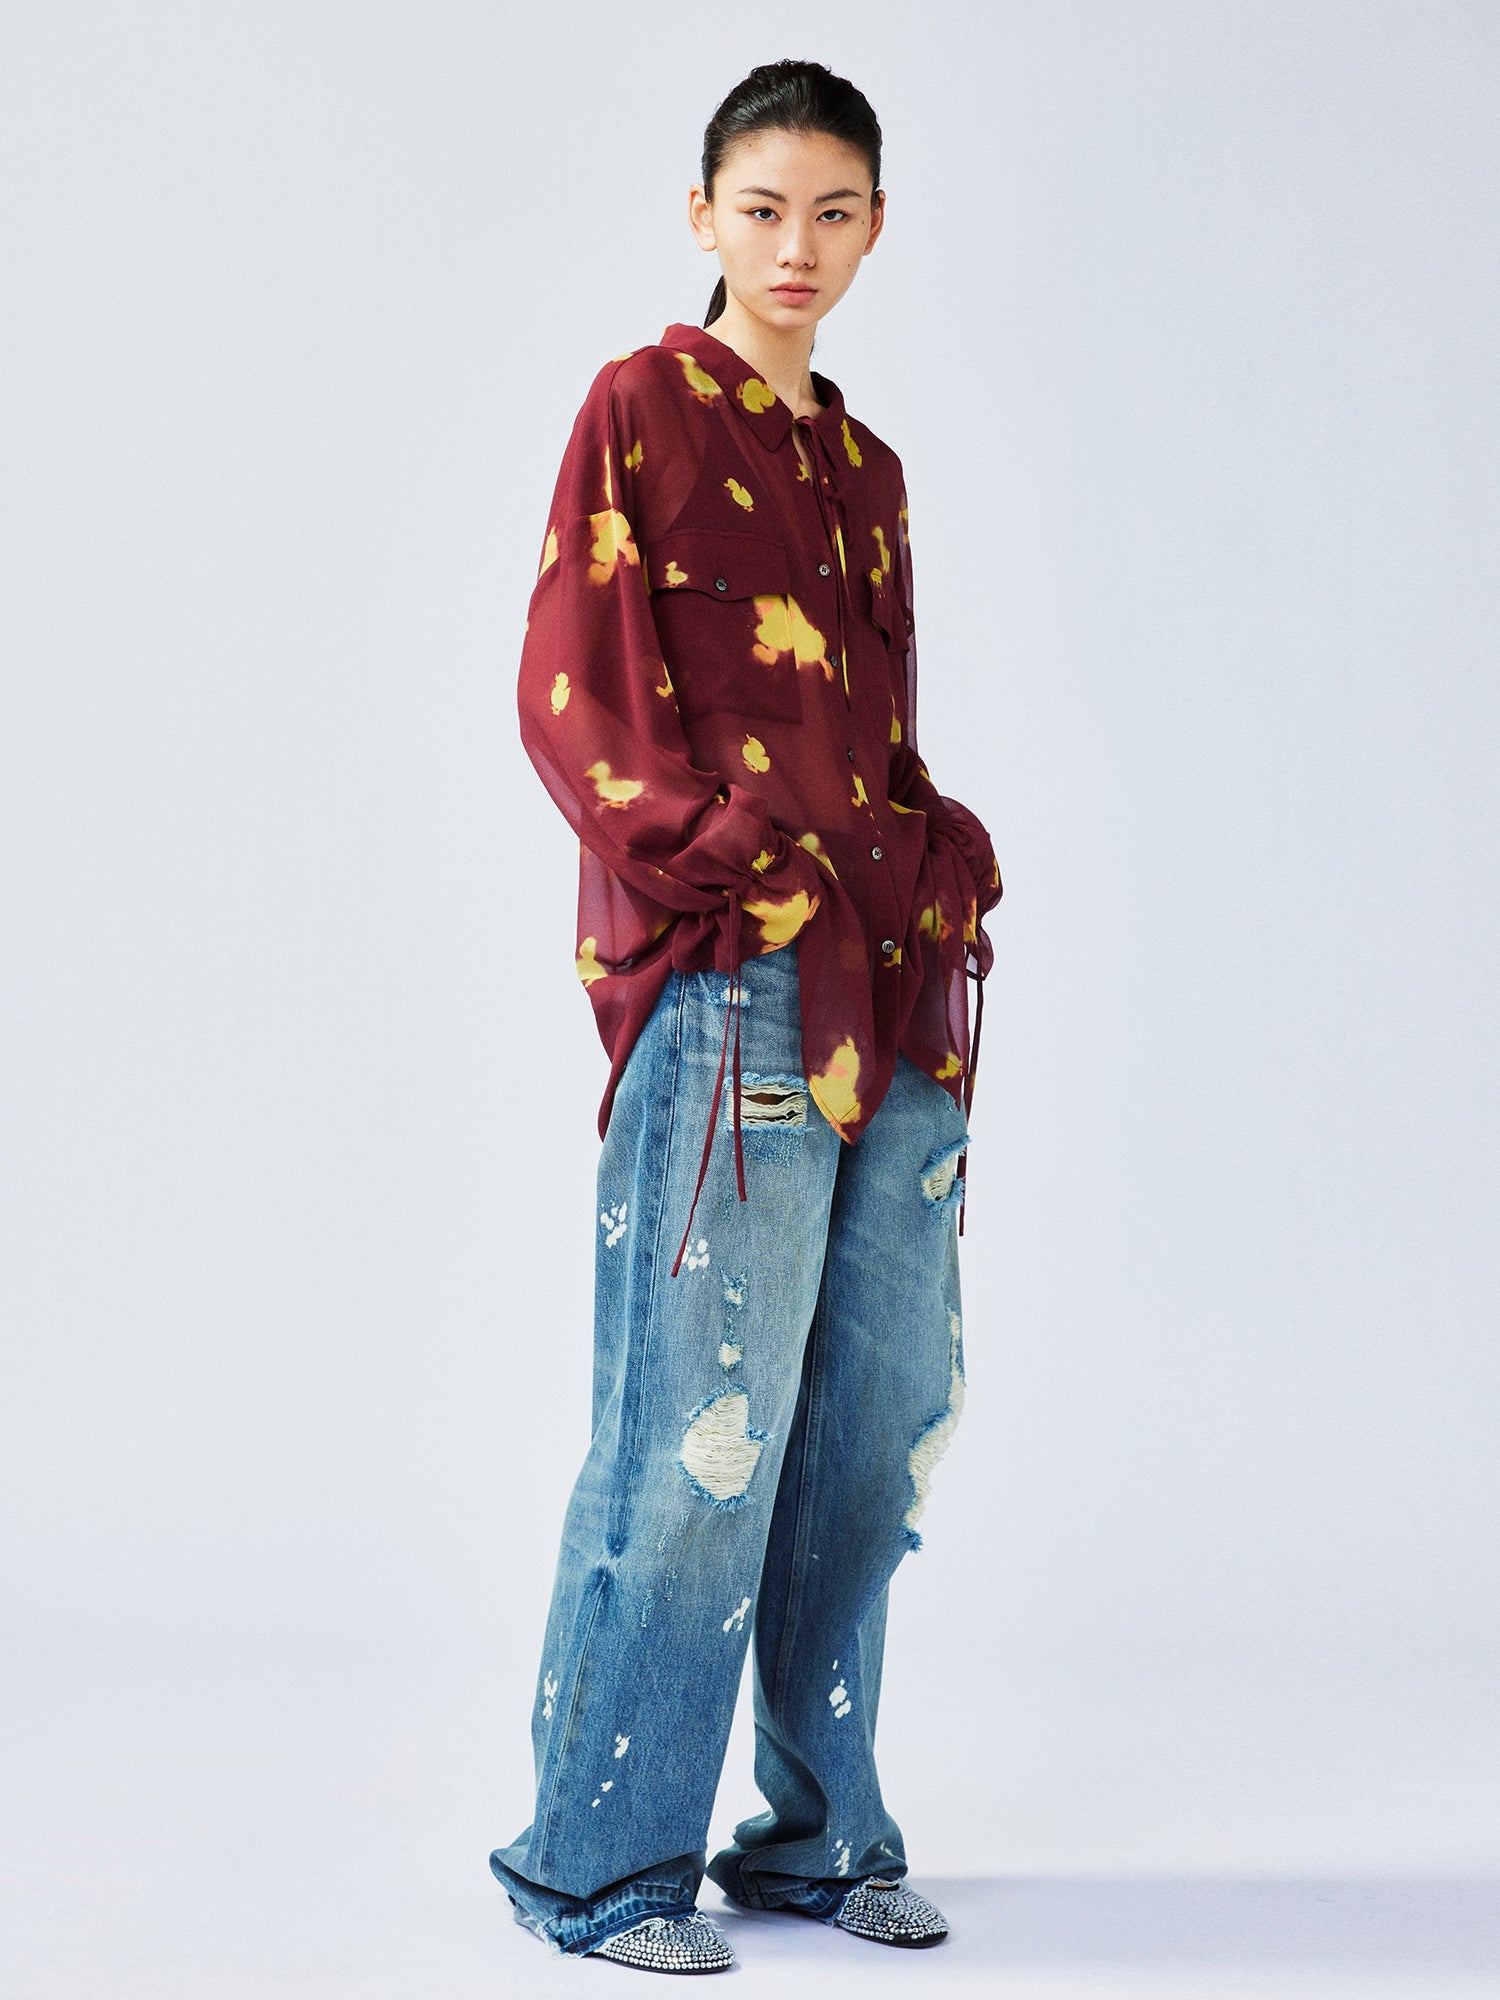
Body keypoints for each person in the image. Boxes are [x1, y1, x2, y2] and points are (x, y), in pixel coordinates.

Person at [490, 59, 1002, 1975]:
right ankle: (599, 1864)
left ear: (875, 229)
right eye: (765, 208)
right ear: (702, 213)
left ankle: (813, 1839)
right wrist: (746, 874)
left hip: (897, 994)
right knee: (696, 1433)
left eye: (835, 213)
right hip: (734, 991)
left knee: (874, 1433)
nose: (800, 247)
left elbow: (871, 731)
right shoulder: (639, 409)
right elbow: (573, 697)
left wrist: (938, 854)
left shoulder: (868, 471)